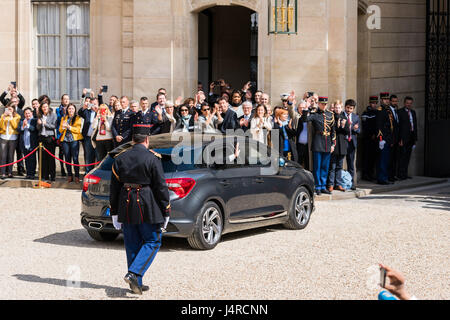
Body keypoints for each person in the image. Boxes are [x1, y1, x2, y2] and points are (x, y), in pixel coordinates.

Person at [109, 124, 171, 295]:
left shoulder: (120, 158)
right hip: (146, 202)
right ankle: (134, 273)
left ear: (132, 139)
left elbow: (113, 188)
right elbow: (160, 187)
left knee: (132, 243)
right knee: (153, 241)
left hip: (125, 203)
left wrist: (114, 211)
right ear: (147, 139)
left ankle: (136, 282)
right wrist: (166, 209)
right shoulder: (153, 158)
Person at [301, 96, 336, 195]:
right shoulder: (315, 114)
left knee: (325, 166)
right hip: (317, 142)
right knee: (317, 166)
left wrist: (333, 144)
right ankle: (317, 186)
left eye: (325, 104)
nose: (324, 106)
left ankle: (323, 186)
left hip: (327, 143)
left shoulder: (330, 115)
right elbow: (305, 119)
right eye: (322, 104)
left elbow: (333, 131)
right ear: (318, 104)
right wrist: (306, 108)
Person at [327, 101, 349, 192]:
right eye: (336, 107)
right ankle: (331, 184)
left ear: (341, 108)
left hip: (342, 145)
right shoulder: (331, 117)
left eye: (339, 107)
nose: (337, 109)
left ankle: (338, 184)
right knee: (333, 166)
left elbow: (347, 131)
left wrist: (343, 126)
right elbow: (332, 131)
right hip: (334, 144)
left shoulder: (344, 117)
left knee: (339, 166)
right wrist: (338, 126)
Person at [59, 104, 83, 183]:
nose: (71, 110)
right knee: (67, 158)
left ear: (75, 110)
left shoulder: (78, 118)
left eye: (72, 109)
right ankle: (69, 175)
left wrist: (69, 127)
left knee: (75, 159)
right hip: (65, 140)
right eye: (69, 109)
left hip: (74, 140)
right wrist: (63, 127)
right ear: (67, 110)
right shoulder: (64, 118)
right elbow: (60, 130)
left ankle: (76, 176)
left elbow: (78, 130)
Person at [376, 92, 395, 185]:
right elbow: (379, 126)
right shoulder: (380, 110)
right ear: (381, 100)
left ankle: (386, 177)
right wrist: (380, 139)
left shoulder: (388, 110)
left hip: (388, 138)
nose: (387, 101)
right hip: (383, 139)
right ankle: (382, 178)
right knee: (383, 160)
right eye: (385, 99)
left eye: (387, 99)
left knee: (387, 159)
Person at [397, 96, 418, 180]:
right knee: (402, 156)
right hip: (403, 138)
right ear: (404, 103)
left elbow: (415, 126)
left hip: (411, 137)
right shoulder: (400, 112)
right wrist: (400, 139)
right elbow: (399, 127)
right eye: (407, 103)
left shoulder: (413, 112)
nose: (408, 105)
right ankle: (400, 174)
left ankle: (405, 173)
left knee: (408, 157)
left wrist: (415, 139)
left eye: (410, 103)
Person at [36, 102, 57, 182]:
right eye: (43, 107)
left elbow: (54, 126)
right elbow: (37, 128)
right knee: (43, 158)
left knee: (51, 157)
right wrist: (39, 124)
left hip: (50, 138)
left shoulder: (53, 115)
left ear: (48, 107)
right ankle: (45, 175)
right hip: (42, 138)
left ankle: (52, 175)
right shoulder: (40, 116)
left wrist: (45, 123)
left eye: (46, 107)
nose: (45, 108)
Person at [0, 103, 21, 179]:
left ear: (13, 110)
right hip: (3, 137)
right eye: (8, 109)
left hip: (13, 137)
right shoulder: (3, 116)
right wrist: (3, 117)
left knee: (10, 155)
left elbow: (15, 126)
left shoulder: (17, 116)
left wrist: (11, 117)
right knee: (3, 156)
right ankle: (2, 173)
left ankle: (9, 172)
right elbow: (1, 126)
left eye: (10, 109)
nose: (9, 111)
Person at [361, 96, 380, 181]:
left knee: (373, 158)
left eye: (375, 103)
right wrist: (371, 134)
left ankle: (371, 173)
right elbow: (366, 126)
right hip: (368, 139)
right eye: (373, 103)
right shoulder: (366, 113)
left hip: (376, 139)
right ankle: (366, 174)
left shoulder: (377, 112)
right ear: (370, 103)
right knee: (367, 158)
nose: (374, 105)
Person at [78, 96, 98, 173]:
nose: (94, 106)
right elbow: (80, 112)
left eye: (95, 104)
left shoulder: (100, 112)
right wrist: (84, 106)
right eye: (92, 104)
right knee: (88, 157)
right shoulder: (87, 112)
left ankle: (97, 174)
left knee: (98, 157)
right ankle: (88, 174)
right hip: (88, 138)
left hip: (97, 139)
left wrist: (98, 111)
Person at [343, 99, 360, 190]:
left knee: (351, 164)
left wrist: (355, 129)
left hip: (351, 143)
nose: (349, 110)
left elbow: (359, 130)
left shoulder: (356, 117)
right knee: (340, 163)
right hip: (343, 142)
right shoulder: (341, 116)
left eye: (351, 108)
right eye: (348, 108)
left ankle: (352, 183)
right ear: (345, 107)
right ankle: (340, 183)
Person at [19, 108, 38, 179]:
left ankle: (32, 173)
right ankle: (28, 173)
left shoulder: (34, 120)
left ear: (32, 113)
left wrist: (27, 125)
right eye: (26, 113)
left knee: (32, 159)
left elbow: (34, 129)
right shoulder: (21, 121)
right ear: (24, 114)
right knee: (26, 159)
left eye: (29, 113)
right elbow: (19, 129)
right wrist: (23, 126)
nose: (27, 115)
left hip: (32, 143)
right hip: (24, 142)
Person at [55, 94, 70, 177]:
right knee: (61, 153)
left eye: (67, 99)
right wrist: (62, 113)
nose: (66, 100)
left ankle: (69, 169)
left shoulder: (71, 109)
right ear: (62, 100)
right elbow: (58, 120)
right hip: (61, 133)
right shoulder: (58, 110)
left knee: (68, 153)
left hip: (69, 133)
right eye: (64, 99)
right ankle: (62, 168)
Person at [388, 95, 400, 182]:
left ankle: (393, 175)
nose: (395, 103)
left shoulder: (397, 111)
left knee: (395, 158)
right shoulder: (388, 111)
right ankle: (389, 176)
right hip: (391, 139)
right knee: (390, 159)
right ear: (390, 101)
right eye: (393, 101)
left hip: (397, 139)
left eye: (396, 101)